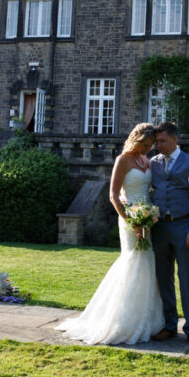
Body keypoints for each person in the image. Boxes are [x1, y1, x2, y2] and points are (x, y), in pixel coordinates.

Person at [56, 123, 163, 345]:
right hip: (129, 219)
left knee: (147, 263)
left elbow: (149, 189)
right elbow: (114, 196)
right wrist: (131, 220)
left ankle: (148, 320)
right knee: (132, 261)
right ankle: (121, 322)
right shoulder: (122, 160)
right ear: (136, 139)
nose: (148, 148)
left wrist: (149, 214)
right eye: (145, 144)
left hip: (146, 218)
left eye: (151, 145)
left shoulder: (147, 161)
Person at [149, 121, 189, 346]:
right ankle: (169, 325)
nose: (158, 145)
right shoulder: (153, 163)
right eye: (157, 141)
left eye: (162, 141)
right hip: (160, 227)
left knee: (187, 278)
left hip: (183, 226)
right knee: (163, 278)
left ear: (174, 139)